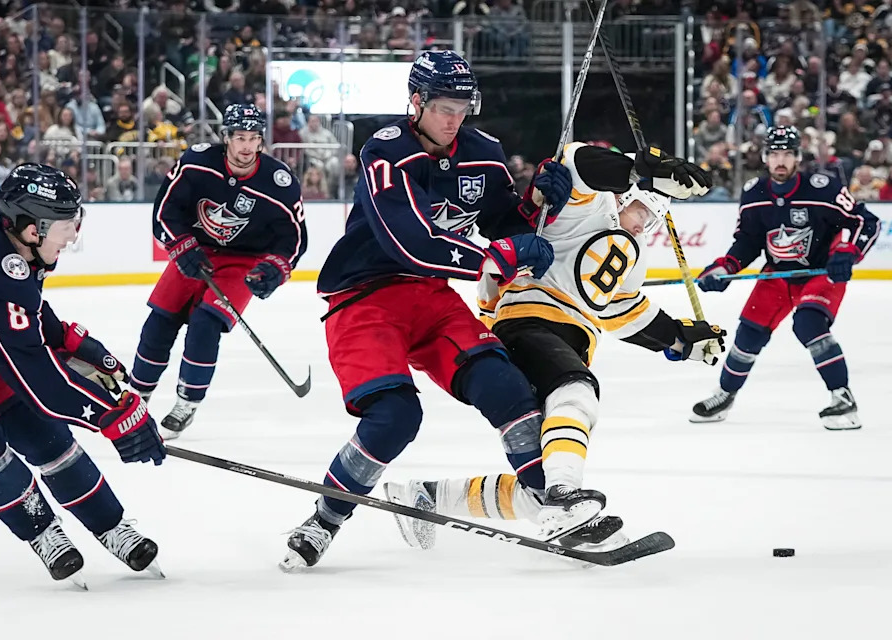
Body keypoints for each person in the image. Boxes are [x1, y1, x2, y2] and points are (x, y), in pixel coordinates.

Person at [280, 51, 574, 571]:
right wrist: (492, 257)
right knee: (395, 416)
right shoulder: (385, 151)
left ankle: (554, 507)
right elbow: (407, 241)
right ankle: (326, 517)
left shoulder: (483, 152)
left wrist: (537, 203)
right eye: (442, 106)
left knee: (506, 387)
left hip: (433, 298)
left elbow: (506, 224)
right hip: (364, 298)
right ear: (415, 102)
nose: (454, 118)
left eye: (463, 106)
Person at [383, 142, 720, 550]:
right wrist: (640, 166)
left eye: (653, 220)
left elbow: (623, 312)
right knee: (576, 392)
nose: (642, 225)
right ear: (624, 197)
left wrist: (682, 339)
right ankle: (565, 498)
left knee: (536, 484)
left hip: (568, 340)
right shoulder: (585, 208)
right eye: (641, 212)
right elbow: (577, 159)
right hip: (528, 323)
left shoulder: (632, 254)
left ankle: (426, 497)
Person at [0, 164, 165, 587]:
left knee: (39, 429)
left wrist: (66, 339)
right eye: (64, 224)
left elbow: (21, 306)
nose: (73, 234)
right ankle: (41, 529)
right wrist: (114, 412)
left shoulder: (12, 243)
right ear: (31, 227)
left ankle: (109, 524)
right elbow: (38, 378)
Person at [129, 104, 306, 439]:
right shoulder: (196, 162)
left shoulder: (278, 183)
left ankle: (186, 403)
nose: (246, 146)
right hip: (194, 251)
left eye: (253, 138)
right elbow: (165, 210)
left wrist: (273, 270)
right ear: (225, 137)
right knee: (160, 322)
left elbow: (294, 240)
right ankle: (137, 396)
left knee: (205, 325)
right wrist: (181, 245)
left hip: (242, 263)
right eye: (240, 137)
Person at [690, 126, 880, 430]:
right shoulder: (754, 194)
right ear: (765, 157)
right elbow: (748, 241)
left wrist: (848, 252)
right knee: (748, 335)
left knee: (808, 323)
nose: (781, 160)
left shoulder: (823, 188)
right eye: (775, 154)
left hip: (821, 272)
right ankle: (725, 394)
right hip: (778, 273)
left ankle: (843, 398)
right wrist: (726, 267)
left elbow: (865, 221)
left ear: (798, 157)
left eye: (788, 154)